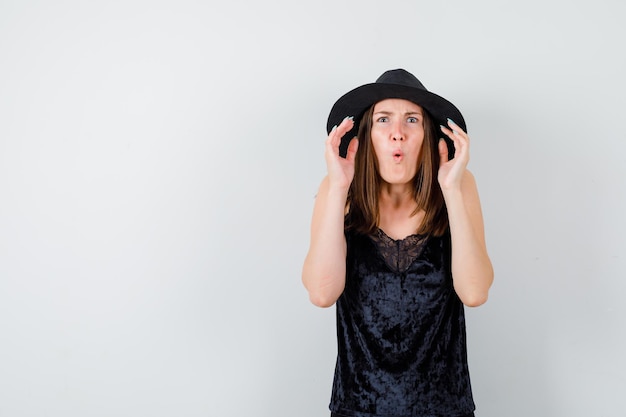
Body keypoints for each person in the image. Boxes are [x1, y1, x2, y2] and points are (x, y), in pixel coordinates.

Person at [301, 69, 494, 417]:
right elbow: (321, 293)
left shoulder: (460, 187)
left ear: (429, 136)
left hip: (444, 409)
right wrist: (340, 188)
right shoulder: (336, 191)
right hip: (358, 408)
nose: (397, 135)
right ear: (365, 135)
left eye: (411, 120)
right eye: (383, 120)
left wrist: (450, 189)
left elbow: (475, 292)